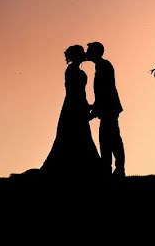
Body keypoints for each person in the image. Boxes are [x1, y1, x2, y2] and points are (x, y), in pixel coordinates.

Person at [40, 45, 101, 177]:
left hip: (73, 106)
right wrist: (87, 107)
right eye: (81, 53)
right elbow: (76, 93)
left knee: (78, 136)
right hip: (74, 108)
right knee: (78, 136)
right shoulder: (73, 71)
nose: (85, 54)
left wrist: (87, 106)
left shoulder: (73, 70)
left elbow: (79, 93)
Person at [86, 41, 125, 177]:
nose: (87, 53)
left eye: (89, 51)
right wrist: (94, 107)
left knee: (111, 139)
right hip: (108, 108)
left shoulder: (104, 66)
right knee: (108, 138)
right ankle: (110, 169)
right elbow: (101, 93)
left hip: (109, 108)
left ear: (95, 52)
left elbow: (105, 91)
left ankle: (118, 168)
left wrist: (94, 111)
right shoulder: (101, 66)